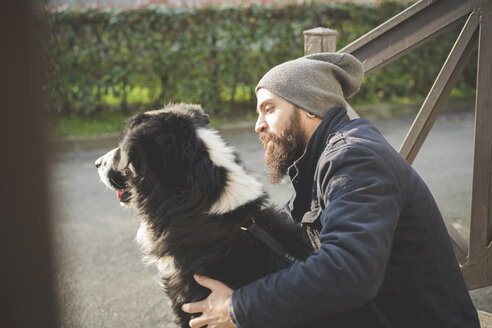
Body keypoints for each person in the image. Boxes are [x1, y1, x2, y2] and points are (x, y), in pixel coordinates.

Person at [182, 53, 480, 327]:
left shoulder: (355, 159)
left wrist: (238, 307)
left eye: (269, 109)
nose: (258, 125)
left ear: (310, 108)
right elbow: (282, 233)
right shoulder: (319, 163)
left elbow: (348, 271)